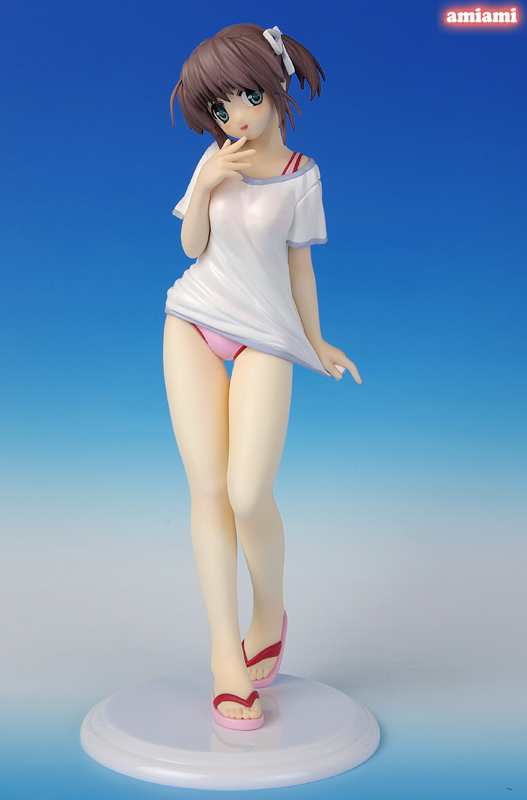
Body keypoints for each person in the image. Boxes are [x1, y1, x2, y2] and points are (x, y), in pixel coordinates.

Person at [163, 23, 361, 731]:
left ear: (275, 88)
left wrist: (317, 339)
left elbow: (300, 265)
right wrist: (206, 181)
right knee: (209, 491)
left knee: (249, 494)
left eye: (247, 97)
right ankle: (226, 655)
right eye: (220, 108)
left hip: (265, 336)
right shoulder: (214, 160)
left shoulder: (303, 176)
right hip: (192, 320)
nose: (236, 117)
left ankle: (269, 611)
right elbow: (192, 244)